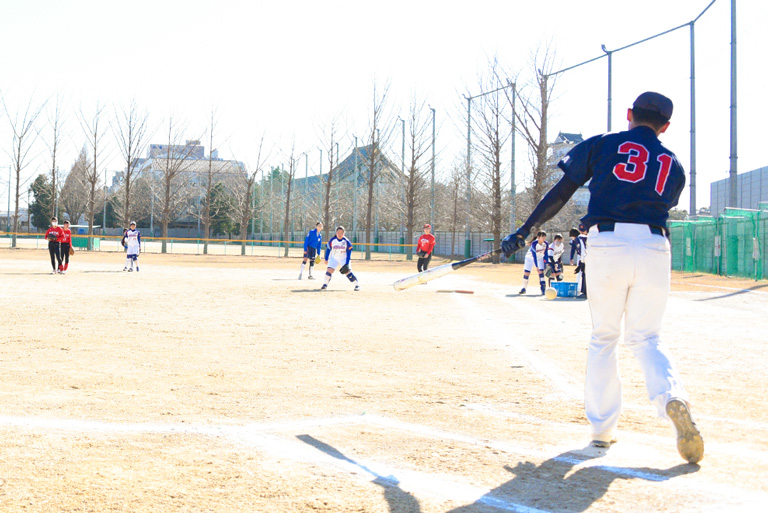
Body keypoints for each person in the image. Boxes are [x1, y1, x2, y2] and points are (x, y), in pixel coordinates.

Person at [501, 91, 704, 464]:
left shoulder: (604, 144)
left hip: (608, 243)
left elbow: (562, 191)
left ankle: (602, 431)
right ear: (666, 126)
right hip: (655, 245)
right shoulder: (672, 162)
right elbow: (664, 202)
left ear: (630, 114)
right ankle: (672, 397)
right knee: (647, 338)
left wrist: (526, 229)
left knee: (604, 337)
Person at [321, 226, 359, 291]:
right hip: (334, 258)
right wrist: (326, 259)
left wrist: (346, 263)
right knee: (329, 270)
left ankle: (356, 285)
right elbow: (328, 249)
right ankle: (325, 284)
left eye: (341, 233)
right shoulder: (333, 240)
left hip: (343, 258)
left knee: (348, 272)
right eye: (338, 232)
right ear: (336, 233)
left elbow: (349, 253)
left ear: (344, 234)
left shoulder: (346, 241)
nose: (340, 234)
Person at [519, 231, 548, 295]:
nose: (544, 239)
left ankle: (543, 289)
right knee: (527, 273)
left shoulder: (546, 244)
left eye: (544, 237)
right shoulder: (534, 244)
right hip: (530, 258)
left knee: (541, 272)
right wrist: (537, 266)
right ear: (538, 237)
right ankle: (524, 288)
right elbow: (534, 255)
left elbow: (546, 254)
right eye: (542, 237)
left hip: (540, 258)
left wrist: (546, 263)